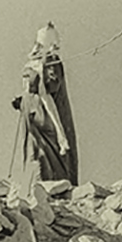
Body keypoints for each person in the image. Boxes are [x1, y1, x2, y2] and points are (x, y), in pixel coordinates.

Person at [13, 22, 78, 184]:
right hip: (32, 114)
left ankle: (49, 185)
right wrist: (23, 99)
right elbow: (34, 89)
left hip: (44, 114)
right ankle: (33, 185)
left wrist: (60, 132)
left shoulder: (51, 62)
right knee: (34, 151)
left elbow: (48, 91)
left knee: (45, 153)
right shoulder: (35, 63)